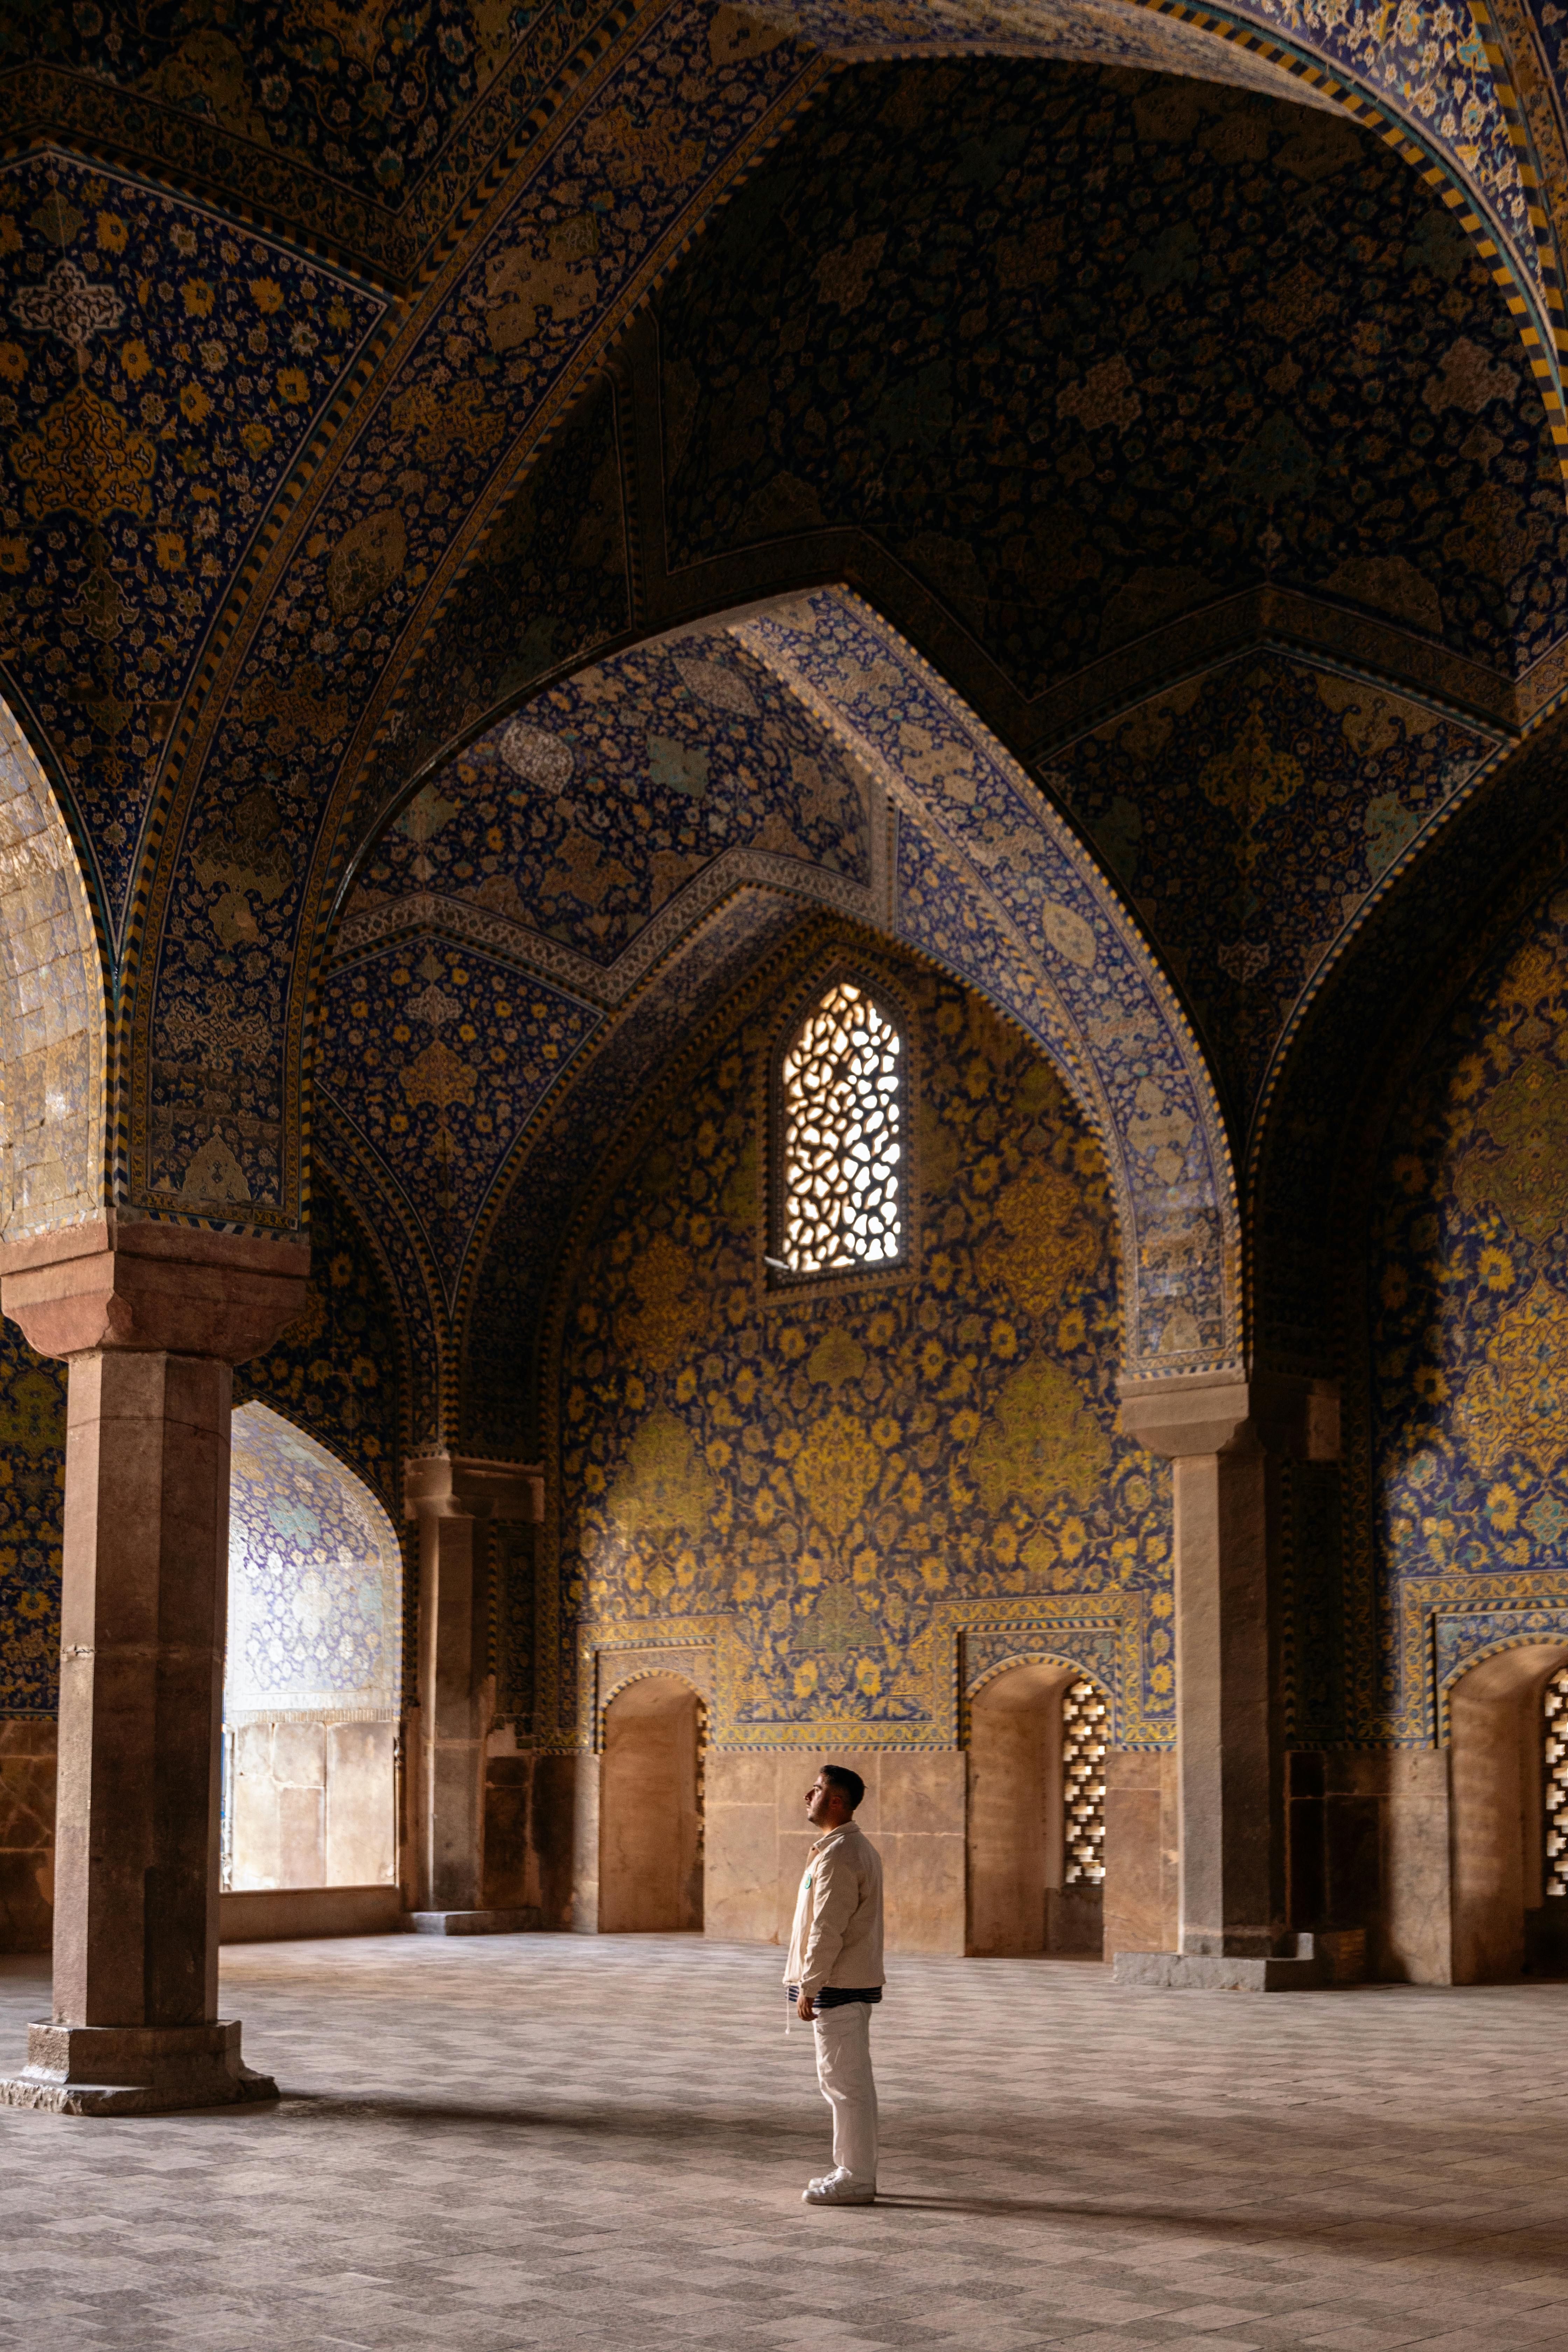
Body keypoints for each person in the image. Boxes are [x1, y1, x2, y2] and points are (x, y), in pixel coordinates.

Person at [784, 1763, 885, 2206]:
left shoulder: (842, 1854)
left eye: (819, 1790)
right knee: (842, 2083)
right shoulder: (836, 1850)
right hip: (840, 1982)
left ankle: (856, 2177)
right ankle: (850, 2169)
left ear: (837, 1802)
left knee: (846, 2085)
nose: (809, 1795)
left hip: (838, 1986)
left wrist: (810, 1984)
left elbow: (828, 1928)